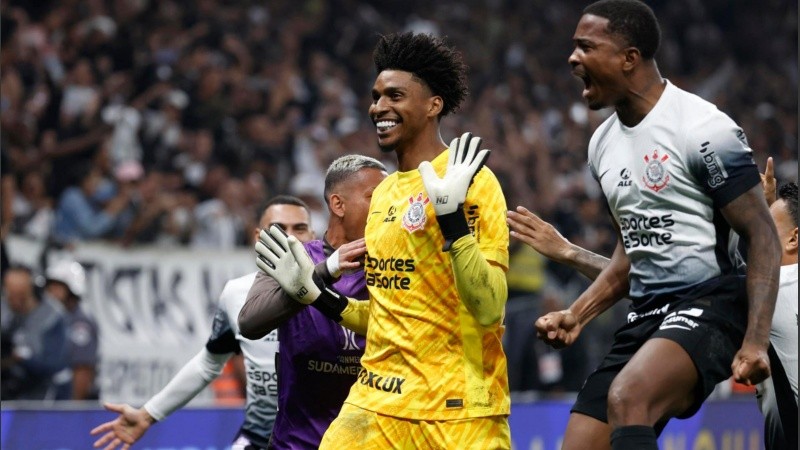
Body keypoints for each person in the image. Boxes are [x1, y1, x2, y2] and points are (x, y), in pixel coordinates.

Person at [506, 1, 781, 449]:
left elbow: (763, 233)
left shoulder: (703, 128)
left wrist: (755, 342)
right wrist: (577, 313)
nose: (572, 59)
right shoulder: (601, 145)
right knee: (578, 443)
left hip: (712, 304)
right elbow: (631, 254)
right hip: (645, 316)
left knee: (629, 396)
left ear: (629, 58)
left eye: (585, 47)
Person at [256, 31, 511, 448]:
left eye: (394, 96)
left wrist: (452, 222)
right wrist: (313, 295)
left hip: (457, 408)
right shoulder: (385, 195)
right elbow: (385, 313)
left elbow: (488, 308)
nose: (379, 108)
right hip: (377, 402)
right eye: (376, 97)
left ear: (433, 105)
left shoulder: (471, 182)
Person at [89, 195, 316, 450]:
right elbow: (209, 363)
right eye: (278, 228)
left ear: (313, 236)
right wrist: (147, 413)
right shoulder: (236, 294)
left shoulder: (335, 297)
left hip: (325, 439)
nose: (289, 237)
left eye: (299, 228)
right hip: (260, 438)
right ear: (258, 237)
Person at [238, 154, 387, 449]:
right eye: (375, 197)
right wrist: (325, 272)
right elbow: (250, 322)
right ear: (338, 204)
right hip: (297, 443)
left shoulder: (394, 266)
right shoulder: (295, 259)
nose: (387, 206)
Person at [1, 265, 69, 400]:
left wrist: (22, 358)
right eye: (10, 295)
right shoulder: (4, 309)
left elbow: (54, 365)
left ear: (32, 290)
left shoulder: (52, 316)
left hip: (42, 395)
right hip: (7, 393)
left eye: (20, 295)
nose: (14, 301)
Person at [43, 259, 100, 400]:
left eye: (57, 288)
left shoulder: (80, 324)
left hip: (69, 403)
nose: (51, 293)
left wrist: (71, 411)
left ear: (72, 290)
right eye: (50, 288)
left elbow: (82, 370)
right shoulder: (50, 319)